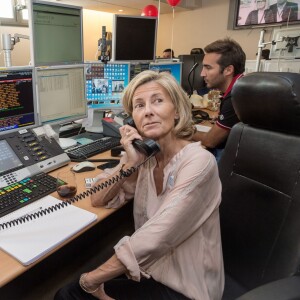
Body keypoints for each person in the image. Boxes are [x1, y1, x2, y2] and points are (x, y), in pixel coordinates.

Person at [54, 70, 224, 300]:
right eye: (139, 106)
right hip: (149, 270)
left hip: (186, 286)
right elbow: (99, 199)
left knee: (70, 294)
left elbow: (157, 236)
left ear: (177, 111)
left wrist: (91, 280)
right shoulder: (145, 159)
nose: (149, 112)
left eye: (158, 101)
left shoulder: (199, 162)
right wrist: (131, 162)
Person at [193, 38, 246, 162]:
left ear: (228, 70)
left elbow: (210, 141)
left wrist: (183, 131)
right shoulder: (240, 85)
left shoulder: (235, 96)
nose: (202, 74)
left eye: (208, 68)